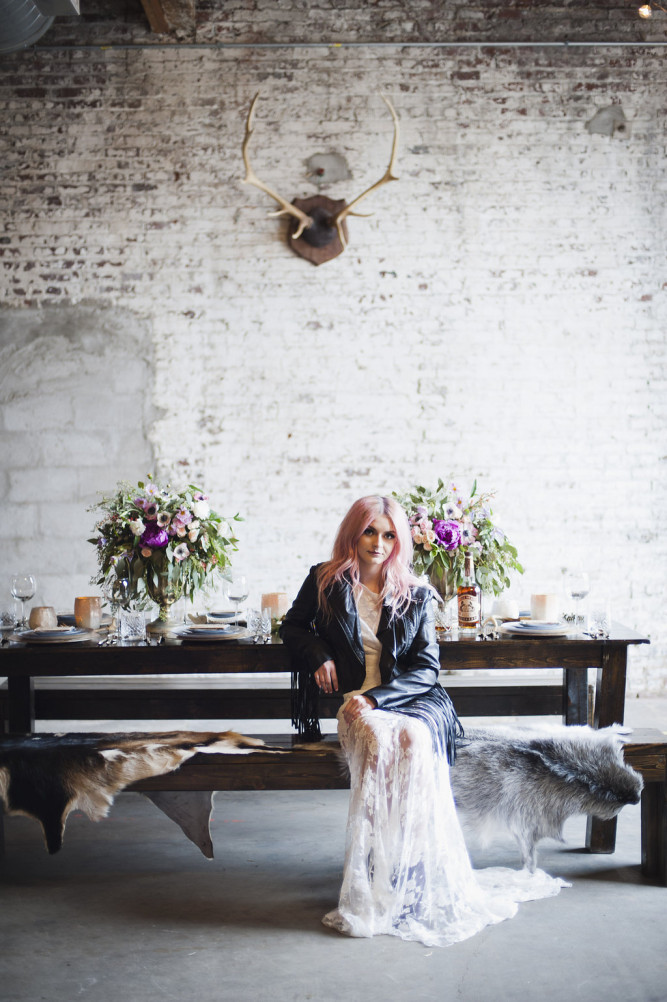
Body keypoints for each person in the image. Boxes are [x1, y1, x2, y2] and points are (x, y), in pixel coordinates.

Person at [280, 495, 567, 947]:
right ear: (352, 533)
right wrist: (318, 654)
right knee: (377, 740)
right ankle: (375, 869)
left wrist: (379, 699)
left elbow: (427, 668)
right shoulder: (323, 580)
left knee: (413, 740)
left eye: (389, 534)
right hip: (356, 705)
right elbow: (292, 627)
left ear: (400, 540)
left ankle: (412, 867)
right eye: (369, 531)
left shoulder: (414, 592)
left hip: (407, 702)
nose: (378, 543)